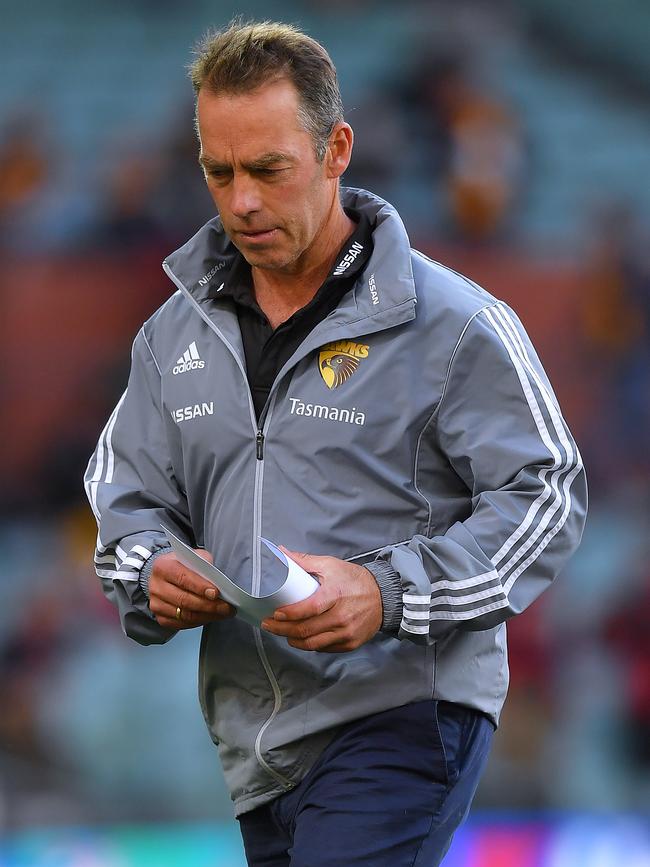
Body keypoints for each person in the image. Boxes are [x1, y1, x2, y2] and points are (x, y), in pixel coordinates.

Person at [84, 21, 587, 866]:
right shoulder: (171, 338)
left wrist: (387, 592)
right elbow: (123, 503)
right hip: (255, 744)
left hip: (402, 715)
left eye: (268, 170)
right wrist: (151, 571)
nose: (241, 200)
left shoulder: (457, 324)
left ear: (335, 149)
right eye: (219, 172)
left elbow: (548, 494)